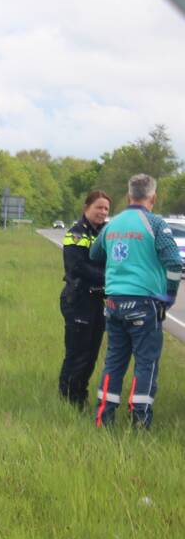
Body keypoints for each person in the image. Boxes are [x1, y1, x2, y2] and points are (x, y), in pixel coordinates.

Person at [91, 174, 182, 428]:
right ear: (153, 197)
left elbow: (94, 253)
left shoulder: (113, 224)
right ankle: (139, 420)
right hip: (144, 303)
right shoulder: (154, 223)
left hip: (113, 302)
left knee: (114, 361)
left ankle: (103, 418)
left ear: (129, 195)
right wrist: (169, 294)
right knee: (146, 363)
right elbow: (175, 263)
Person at [58, 190, 111, 408]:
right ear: (86, 208)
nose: (103, 212)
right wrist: (110, 277)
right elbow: (77, 266)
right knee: (77, 353)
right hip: (78, 299)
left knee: (91, 355)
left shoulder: (107, 233)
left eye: (107, 208)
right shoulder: (76, 233)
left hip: (97, 302)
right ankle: (67, 398)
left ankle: (80, 396)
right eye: (99, 207)